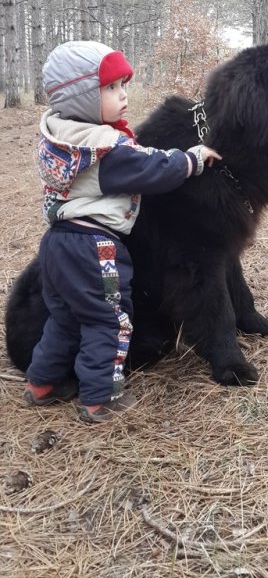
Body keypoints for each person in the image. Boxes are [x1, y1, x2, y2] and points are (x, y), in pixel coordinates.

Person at [24, 40, 221, 423]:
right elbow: (153, 169)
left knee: (63, 318)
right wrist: (193, 158)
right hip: (92, 247)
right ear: (80, 97)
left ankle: (41, 384)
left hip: (56, 244)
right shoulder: (105, 150)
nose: (123, 96)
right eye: (111, 88)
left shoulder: (60, 137)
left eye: (124, 85)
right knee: (108, 320)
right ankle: (100, 399)